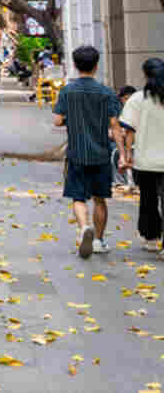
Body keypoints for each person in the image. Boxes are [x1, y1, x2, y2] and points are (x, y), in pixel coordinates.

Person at [53, 45, 123, 259]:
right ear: (96, 65)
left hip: (76, 153)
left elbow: (57, 121)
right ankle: (100, 241)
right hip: (101, 154)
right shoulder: (107, 93)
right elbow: (115, 126)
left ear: (75, 65)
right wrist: (123, 154)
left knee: (78, 197)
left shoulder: (67, 91)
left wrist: (70, 118)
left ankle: (84, 227)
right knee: (100, 199)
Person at [119, 59, 164, 250]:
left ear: (145, 75)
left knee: (148, 200)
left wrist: (127, 154)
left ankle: (152, 239)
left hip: (145, 161)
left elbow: (129, 131)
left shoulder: (137, 99)